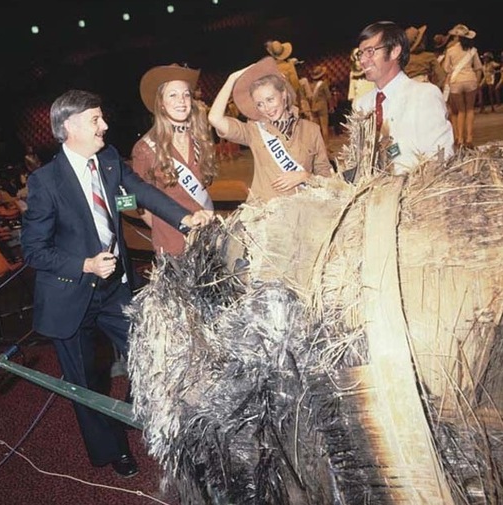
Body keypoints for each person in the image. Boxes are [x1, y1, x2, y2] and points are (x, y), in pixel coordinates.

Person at [20, 89, 214, 479]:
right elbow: (33, 251)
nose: (104, 126)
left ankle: (143, 419)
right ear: (69, 127)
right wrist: (85, 264)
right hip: (69, 295)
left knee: (150, 358)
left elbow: (143, 192)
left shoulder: (108, 160)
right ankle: (113, 449)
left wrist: (184, 218)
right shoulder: (45, 182)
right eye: (95, 119)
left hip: (115, 290)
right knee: (85, 384)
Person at [208, 56, 334, 204]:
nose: (267, 108)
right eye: (260, 104)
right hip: (266, 215)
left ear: (284, 94)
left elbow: (326, 177)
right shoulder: (254, 130)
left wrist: (306, 176)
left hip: (303, 211)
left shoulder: (311, 130)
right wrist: (232, 78)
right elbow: (214, 118)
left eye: (270, 100)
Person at [131, 64, 218, 256]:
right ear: (161, 103)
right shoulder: (145, 148)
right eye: (173, 95)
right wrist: (165, 228)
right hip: (172, 246)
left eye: (186, 94)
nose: (182, 101)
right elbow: (129, 201)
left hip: (206, 238)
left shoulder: (200, 140)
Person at [352, 21, 454, 175]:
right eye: (361, 53)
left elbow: (441, 156)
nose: (363, 60)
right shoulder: (361, 105)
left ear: (394, 51)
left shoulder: (424, 96)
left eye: (370, 51)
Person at [442, 23, 482, 148]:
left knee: (460, 111)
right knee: (470, 109)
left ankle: (459, 138)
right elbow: (478, 67)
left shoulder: (450, 50)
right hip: (470, 80)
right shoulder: (472, 50)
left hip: (456, 82)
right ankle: (469, 138)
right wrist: (478, 82)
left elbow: (446, 68)